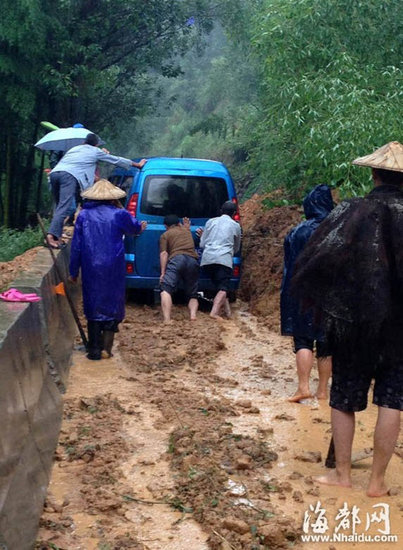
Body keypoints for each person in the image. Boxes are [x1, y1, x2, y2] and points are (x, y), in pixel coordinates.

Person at [292, 141, 403, 496]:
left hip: (354, 322)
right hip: (400, 327)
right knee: (392, 399)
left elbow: (318, 258)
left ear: (373, 173)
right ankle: (377, 482)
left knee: (344, 396)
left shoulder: (352, 211)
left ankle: (342, 474)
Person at [69, 179, 146, 360]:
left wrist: (73, 271)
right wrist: (139, 225)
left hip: (90, 264)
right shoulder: (119, 214)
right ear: (113, 198)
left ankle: (94, 349)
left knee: (93, 302)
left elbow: (76, 246)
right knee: (113, 301)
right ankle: (107, 348)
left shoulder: (83, 216)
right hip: (113, 264)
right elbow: (134, 228)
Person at [46, 133, 147, 249]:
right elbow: (116, 160)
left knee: (59, 206)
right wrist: (137, 165)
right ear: (96, 144)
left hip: (54, 174)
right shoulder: (95, 151)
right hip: (68, 176)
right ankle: (50, 237)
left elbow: (82, 163)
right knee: (64, 206)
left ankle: (56, 235)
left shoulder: (75, 149)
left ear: (84, 142)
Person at [280, 184, 334, 402]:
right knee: (325, 341)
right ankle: (323, 391)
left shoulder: (297, 232)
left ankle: (303, 387)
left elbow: (288, 263)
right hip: (331, 295)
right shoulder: (338, 228)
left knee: (303, 340)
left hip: (301, 294)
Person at [199, 200, 241, 319]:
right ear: (234, 214)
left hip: (207, 260)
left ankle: (228, 313)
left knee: (221, 287)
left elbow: (202, 244)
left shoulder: (210, 222)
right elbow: (236, 247)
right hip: (223, 260)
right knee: (223, 288)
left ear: (221, 211)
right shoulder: (235, 226)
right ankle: (214, 313)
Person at [159, 214, 199, 322]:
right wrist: (187, 227)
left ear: (165, 226)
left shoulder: (165, 235)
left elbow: (164, 254)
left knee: (165, 290)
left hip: (177, 259)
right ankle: (193, 315)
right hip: (192, 260)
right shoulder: (187, 231)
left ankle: (167, 319)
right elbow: (184, 229)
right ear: (178, 223)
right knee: (193, 294)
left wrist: (163, 273)